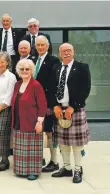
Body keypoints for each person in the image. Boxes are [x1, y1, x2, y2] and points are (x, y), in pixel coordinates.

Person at [49, 43, 91, 184]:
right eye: (63, 51)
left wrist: (73, 107)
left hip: (75, 109)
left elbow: (86, 89)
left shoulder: (82, 67)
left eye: (69, 50)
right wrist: (55, 106)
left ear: (73, 52)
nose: (66, 53)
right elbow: (51, 88)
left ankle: (78, 169)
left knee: (76, 143)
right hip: (60, 108)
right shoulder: (56, 68)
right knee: (63, 142)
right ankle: (66, 168)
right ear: (60, 53)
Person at [11, 59, 47, 180]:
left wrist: (39, 122)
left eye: (27, 69)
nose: (25, 71)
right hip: (18, 121)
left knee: (32, 149)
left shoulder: (36, 85)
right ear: (18, 71)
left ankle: (34, 171)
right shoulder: (17, 84)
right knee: (21, 148)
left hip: (32, 122)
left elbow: (43, 105)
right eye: (22, 69)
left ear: (32, 71)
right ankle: (20, 170)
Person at [32, 35, 61, 173]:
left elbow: (54, 85)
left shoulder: (54, 61)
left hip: (47, 103)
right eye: (38, 45)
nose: (40, 47)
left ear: (47, 46)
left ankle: (54, 161)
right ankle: (40, 158)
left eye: (42, 45)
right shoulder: (33, 60)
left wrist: (51, 105)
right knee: (38, 132)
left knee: (49, 132)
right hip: (34, 103)